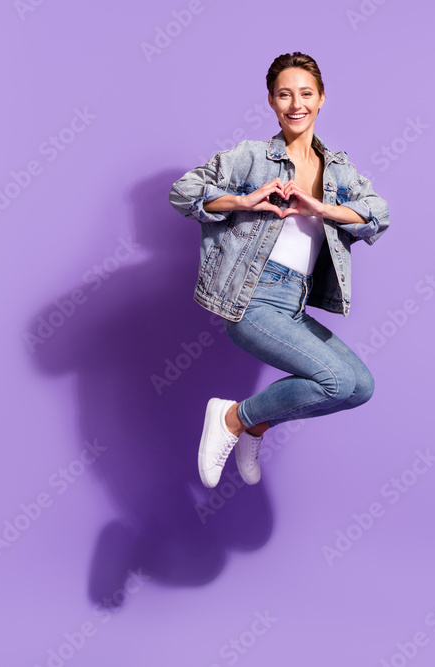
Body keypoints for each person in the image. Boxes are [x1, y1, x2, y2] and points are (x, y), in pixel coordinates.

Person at [168, 51, 390, 489]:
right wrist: (243, 201)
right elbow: (183, 192)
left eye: (305, 93)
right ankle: (233, 417)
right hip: (251, 300)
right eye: (284, 95)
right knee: (334, 380)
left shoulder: (338, 171)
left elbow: (377, 215)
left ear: (322, 98)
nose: (296, 104)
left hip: (294, 304)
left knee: (359, 387)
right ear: (271, 101)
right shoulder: (252, 158)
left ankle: (254, 425)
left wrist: (321, 208)